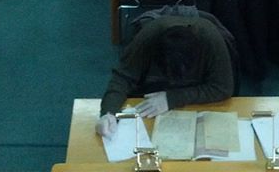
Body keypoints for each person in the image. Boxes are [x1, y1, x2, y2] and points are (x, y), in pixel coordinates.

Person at [96, 15, 235, 138]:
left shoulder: (211, 41)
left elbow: (223, 88)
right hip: (151, 100)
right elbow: (122, 78)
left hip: (196, 104)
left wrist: (171, 98)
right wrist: (108, 113)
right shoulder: (148, 38)